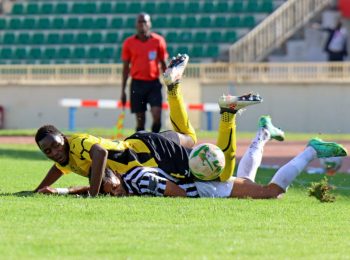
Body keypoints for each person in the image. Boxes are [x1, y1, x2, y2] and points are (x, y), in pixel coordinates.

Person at [35, 54, 262, 196]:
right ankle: (173, 87)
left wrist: (94, 194)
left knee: (220, 175)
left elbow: (100, 152)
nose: (54, 152)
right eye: (48, 151)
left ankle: (227, 114)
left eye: (55, 145)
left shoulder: (78, 144)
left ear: (63, 138)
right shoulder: (67, 157)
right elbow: (59, 168)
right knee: (188, 137)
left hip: (150, 154)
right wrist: (37, 190)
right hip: (143, 142)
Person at [40, 120, 348, 199]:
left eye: (112, 190)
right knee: (251, 185)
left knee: (271, 193)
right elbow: (97, 181)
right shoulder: (127, 180)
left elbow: (176, 193)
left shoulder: (136, 179)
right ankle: (264, 133)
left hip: (201, 186)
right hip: (194, 177)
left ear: (114, 179)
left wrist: (91, 194)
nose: (116, 194)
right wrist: (64, 192)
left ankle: (311, 149)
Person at [121, 12, 168, 133]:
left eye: (145, 21)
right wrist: (123, 91)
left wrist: (169, 83)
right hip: (137, 84)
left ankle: (155, 140)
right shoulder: (129, 43)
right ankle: (141, 147)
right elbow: (126, 68)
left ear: (150, 24)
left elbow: (163, 63)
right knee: (140, 120)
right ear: (136, 25)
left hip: (153, 84)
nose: (142, 24)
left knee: (157, 115)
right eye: (140, 22)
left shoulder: (158, 41)